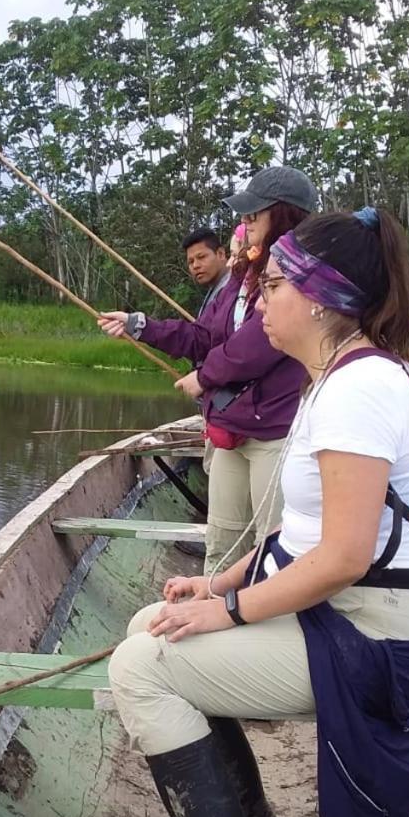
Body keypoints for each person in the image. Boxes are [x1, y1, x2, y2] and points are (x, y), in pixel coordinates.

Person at [107, 207, 409, 817]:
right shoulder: (336, 378)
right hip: (349, 617)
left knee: (140, 668)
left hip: (378, 639)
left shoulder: (361, 391)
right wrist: (221, 582)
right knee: (149, 626)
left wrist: (229, 611)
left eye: (271, 285)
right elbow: (300, 537)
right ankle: (248, 813)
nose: (258, 300)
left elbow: (344, 557)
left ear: (321, 297)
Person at [98, 166, 319, 576]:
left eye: (256, 212)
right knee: (222, 541)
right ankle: (213, 610)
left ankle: (264, 623)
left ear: (284, 214)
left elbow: (259, 342)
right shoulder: (243, 277)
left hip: (274, 431)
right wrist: (139, 325)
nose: (246, 220)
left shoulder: (301, 274)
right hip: (232, 428)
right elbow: (203, 338)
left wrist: (204, 376)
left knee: (271, 547)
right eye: (246, 213)